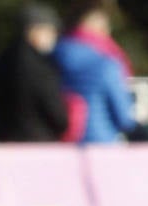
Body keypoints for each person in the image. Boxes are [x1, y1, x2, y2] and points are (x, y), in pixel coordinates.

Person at [52, 0, 138, 144]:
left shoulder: (50, 56)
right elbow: (124, 118)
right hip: (100, 144)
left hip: (58, 145)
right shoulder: (107, 62)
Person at [0, 3, 68, 143]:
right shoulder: (40, 66)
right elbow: (57, 114)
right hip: (39, 142)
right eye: (50, 31)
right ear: (34, 30)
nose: (54, 37)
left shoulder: (0, 60)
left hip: (5, 141)